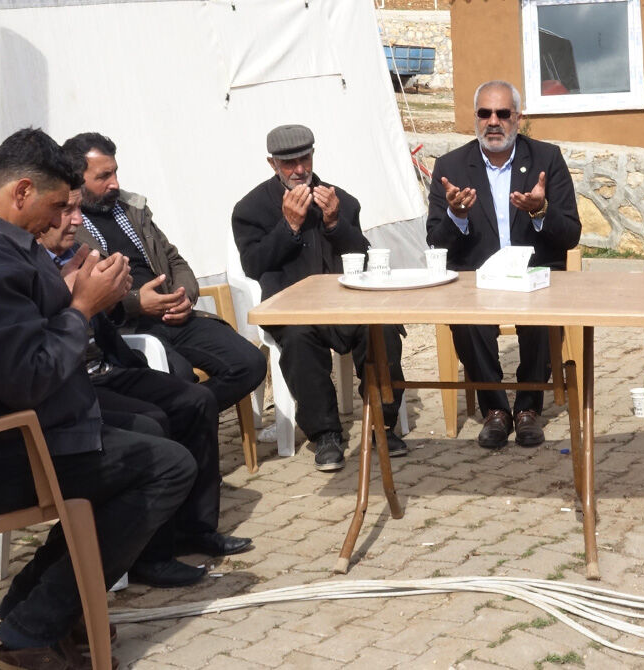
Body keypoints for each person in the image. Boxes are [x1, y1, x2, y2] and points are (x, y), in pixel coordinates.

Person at [0, 128, 196, 670]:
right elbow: (28, 377)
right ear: (22, 191)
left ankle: (40, 608)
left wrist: (72, 290)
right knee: (167, 467)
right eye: (58, 206)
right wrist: (82, 307)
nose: (65, 219)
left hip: (0, 430)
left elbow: (21, 329)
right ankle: (28, 633)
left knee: (151, 431)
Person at [37, 185, 252, 578]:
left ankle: (196, 529)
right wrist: (98, 299)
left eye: (77, 209)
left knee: (196, 401)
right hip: (70, 384)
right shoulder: (27, 264)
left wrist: (119, 296)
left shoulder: (83, 246)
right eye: (66, 210)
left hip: (108, 364)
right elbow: (41, 344)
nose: (76, 219)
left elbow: (168, 262)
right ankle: (149, 556)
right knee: (153, 421)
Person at [232, 124, 407, 471]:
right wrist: (289, 227)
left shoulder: (341, 200)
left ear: (313, 155)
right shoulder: (251, 209)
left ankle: (382, 422)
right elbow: (253, 264)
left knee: (383, 329)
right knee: (298, 339)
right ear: (272, 164)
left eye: (305, 159)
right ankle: (325, 433)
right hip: (293, 308)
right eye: (289, 163)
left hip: (346, 304)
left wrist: (335, 223)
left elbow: (362, 255)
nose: (299, 170)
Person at [61, 132, 266, 414]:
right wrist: (137, 302)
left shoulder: (132, 209)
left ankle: (183, 417)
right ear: (77, 178)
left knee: (250, 363)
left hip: (175, 316)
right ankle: (183, 416)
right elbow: (82, 293)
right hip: (127, 328)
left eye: (115, 172)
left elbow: (174, 259)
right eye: (103, 176)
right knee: (179, 377)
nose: (115, 183)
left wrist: (184, 295)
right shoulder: (67, 226)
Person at [426, 81, 580, 449]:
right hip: (477, 281)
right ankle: (495, 409)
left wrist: (541, 210)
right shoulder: (451, 166)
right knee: (468, 321)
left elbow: (571, 234)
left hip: (534, 276)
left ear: (518, 118)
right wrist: (456, 215)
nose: (493, 121)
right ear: (476, 118)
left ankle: (528, 409)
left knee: (541, 316)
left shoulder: (546, 159)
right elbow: (435, 241)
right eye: (485, 113)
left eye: (502, 113)